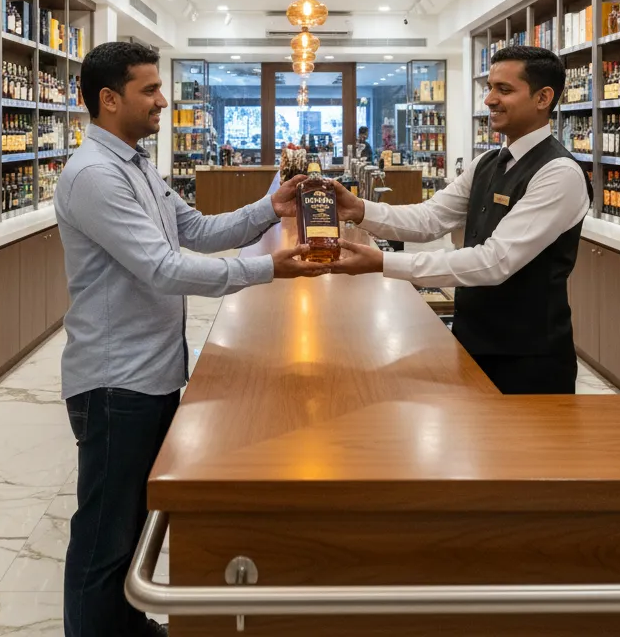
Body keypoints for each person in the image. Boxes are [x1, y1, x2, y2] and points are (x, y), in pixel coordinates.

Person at [55, 41, 327, 637]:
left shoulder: (136, 165)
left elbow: (197, 231)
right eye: (149, 90)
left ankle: (124, 624)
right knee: (104, 536)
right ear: (109, 99)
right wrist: (266, 270)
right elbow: (163, 267)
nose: (162, 99)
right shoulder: (96, 176)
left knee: (131, 526)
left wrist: (268, 207)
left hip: (150, 373)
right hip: (113, 382)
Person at [329, 45, 591, 395]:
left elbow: (494, 262)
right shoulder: (486, 163)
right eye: (490, 88)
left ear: (543, 97)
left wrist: (382, 262)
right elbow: (429, 218)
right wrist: (358, 209)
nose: (489, 100)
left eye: (505, 90)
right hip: (471, 339)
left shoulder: (559, 173)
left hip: (528, 357)